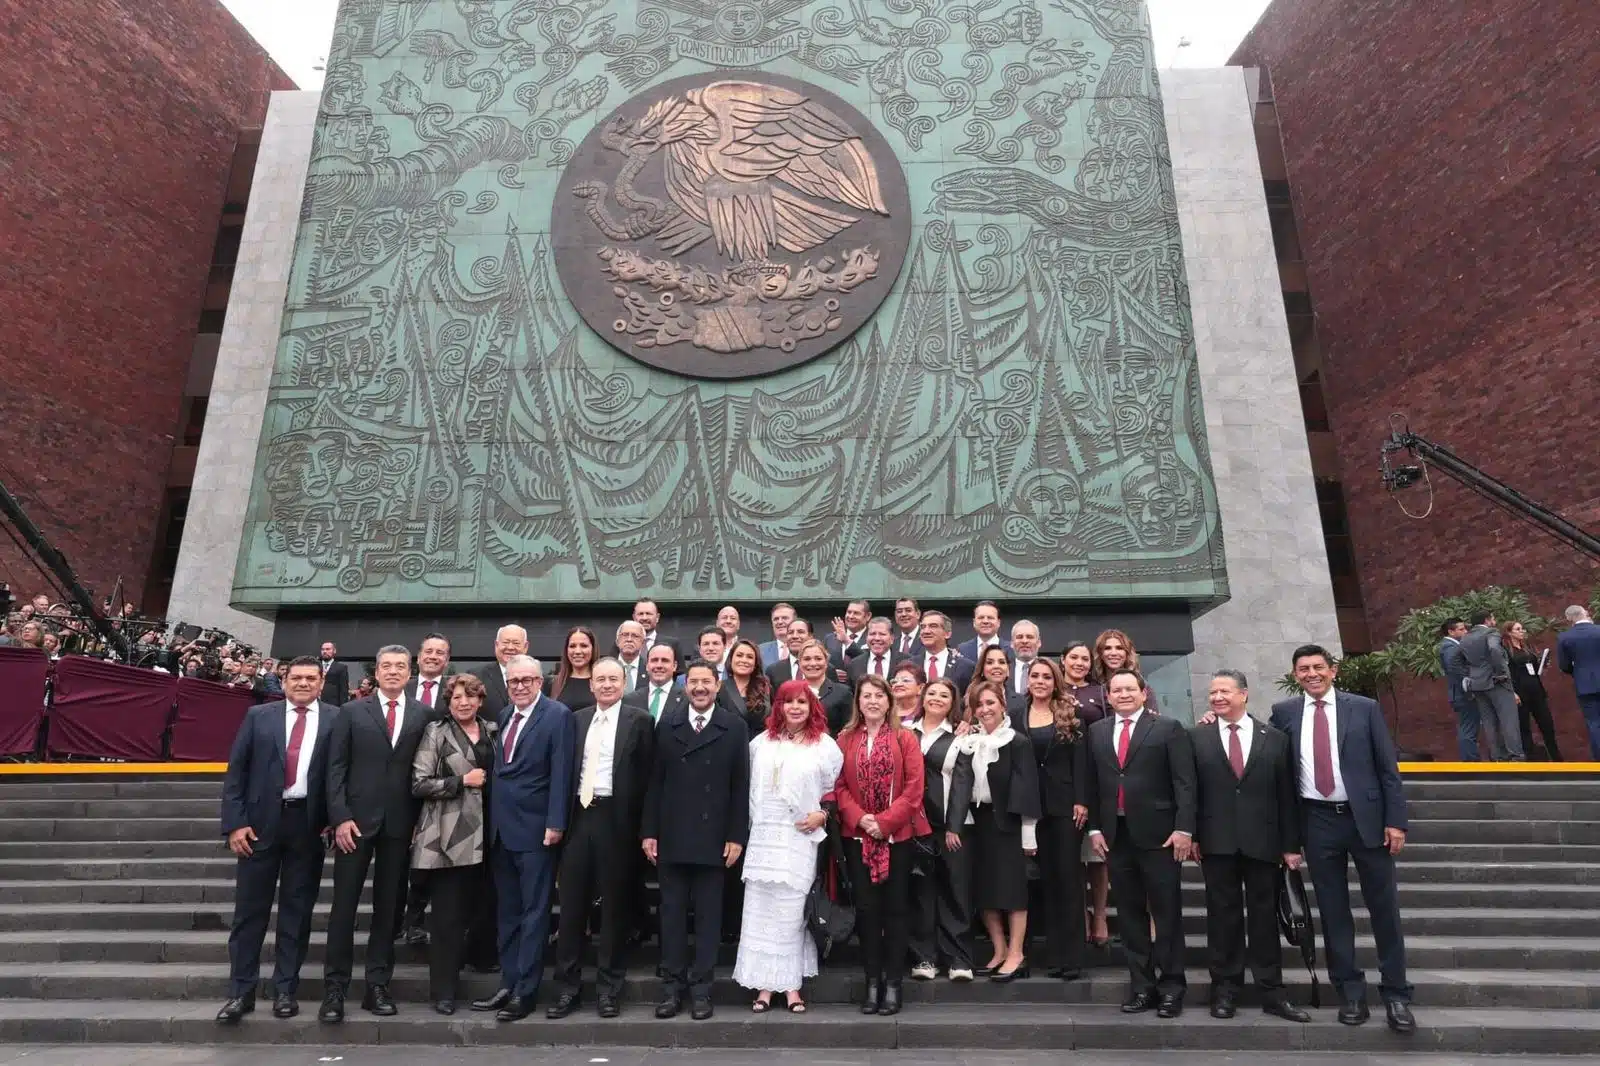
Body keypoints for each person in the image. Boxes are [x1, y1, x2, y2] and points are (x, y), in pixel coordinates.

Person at [1271, 645, 1413, 1033]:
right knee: (1333, 912)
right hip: (1317, 821)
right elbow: (1276, 769)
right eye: (1303, 668)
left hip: (1365, 819)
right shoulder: (1284, 714)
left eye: (1319, 667)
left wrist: (1395, 821)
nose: (1312, 674)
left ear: (1333, 671)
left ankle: (1397, 994)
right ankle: (1350, 993)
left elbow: (1388, 767)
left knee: (1384, 910)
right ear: (1295, 674)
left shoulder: (1363, 708)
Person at [320, 645, 436, 1023]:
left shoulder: (424, 715)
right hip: (354, 824)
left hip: (401, 827)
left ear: (410, 671)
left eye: (400, 667)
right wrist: (339, 817)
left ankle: (377, 985)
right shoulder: (351, 711)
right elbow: (335, 768)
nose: (392, 672)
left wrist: (421, 822)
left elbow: (424, 772)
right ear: (377, 670)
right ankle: (334, 988)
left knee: (389, 910)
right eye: (386, 666)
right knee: (343, 909)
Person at [216, 657, 333, 1024]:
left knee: (296, 915)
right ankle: (241, 993)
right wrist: (235, 825)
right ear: (283, 682)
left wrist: (333, 819)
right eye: (295, 678)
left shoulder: (336, 718)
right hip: (258, 826)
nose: (302, 683)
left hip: (308, 826)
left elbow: (338, 774)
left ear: (321, 683)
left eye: (310, 678)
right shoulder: (258, 717)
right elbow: (237, 773)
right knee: (249, 913)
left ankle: (285, 990)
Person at [1190, 671, 1309, 1023]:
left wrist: (1291, 845)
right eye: (1212, 692)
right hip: (1217, 843)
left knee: (1263, 920)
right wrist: (1193, 835)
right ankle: (1225, 990)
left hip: (1264, 843)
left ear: (1244, 694)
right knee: (1222, 919)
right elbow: (1189, 792)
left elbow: (1287, 796)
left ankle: (1272, 991)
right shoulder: (1195, 737)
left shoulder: (1275, 739)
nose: (1217, 697)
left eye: (1224, 691)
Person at [642, 660, 751, 1020]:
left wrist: (736, 836)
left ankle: (702, 990)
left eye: (707, 681)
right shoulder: (668, 724)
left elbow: (740, 787)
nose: (700, 688)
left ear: (718, 686)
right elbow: (654, 782)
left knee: (708, 918)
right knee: (671, 917)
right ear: (685, 687)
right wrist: (649, 831)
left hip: (715, 838)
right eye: (694, 682)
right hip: (672, 835)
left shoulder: (734, 726)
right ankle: (672, 989)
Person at [549, 659, 656, 1019]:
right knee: (572, 909)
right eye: (600, 680)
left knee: (613, 910)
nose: (607, 685)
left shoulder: (640, 721)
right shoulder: (575, 719)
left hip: (618, 821)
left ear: (624, 683)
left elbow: (648, 780)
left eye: (613, 679)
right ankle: (567, 988)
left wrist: (645, 829)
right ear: (591, 685)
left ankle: (609, 989)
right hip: (579, 818)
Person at [1085, 668, 1195, 1019]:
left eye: (1130, 689)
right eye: (1116, 690)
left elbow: (1185, 784)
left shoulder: (1167, 728)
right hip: (1116, 837)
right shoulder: (1097, 731)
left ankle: (1172, 988)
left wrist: (1184, 829)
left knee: (1166, 915)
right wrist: (1094, 829)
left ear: (1144, 692)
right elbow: (1092, 784)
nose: (1123, 695)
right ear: (1108, 696)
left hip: (1160, 836)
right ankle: (1142, 987)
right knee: (1130, 917)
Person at [473, 655, 575, 1022]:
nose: (519, 686)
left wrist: (556, 822)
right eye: (513, 681)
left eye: (526, 681)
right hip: (502, 830)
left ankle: (526, 992)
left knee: (534, 914)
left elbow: (562, 772)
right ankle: (508, 981)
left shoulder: (557, 715)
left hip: (536, 831)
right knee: (508, 912)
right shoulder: (504, 717)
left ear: (539, 682)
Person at [734, 679, 843, 1013]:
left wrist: (822, 815)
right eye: (787, 702)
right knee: (760, 912)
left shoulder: (825, 746)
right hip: (764, 838)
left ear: (812, 707)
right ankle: (765, 986)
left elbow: (835, 791)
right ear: (777, 707)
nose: (794, 708)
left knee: (793, 912)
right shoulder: (759, 744)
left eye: (801, 702)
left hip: (800, 838)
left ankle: (792, 986)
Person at [834, 674, 928, 1015]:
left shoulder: (905, 738)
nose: (872, 701)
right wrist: (861, 819)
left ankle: (892, 984)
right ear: (857, 702)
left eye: (878, 696)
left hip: (897, 837)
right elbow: (839, 785)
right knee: (866, 911)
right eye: (866, 696)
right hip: (857, 837)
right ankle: (871, 983)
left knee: (896, 910)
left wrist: (884, 822)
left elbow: (915, 788)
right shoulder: (845, 738)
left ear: (889, 701)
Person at [409, 673, 497, 1015]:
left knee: (480, 908)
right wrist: (461, 781)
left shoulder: (492, 730)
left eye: (471, 697)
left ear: (480, 700)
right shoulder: (437, 731)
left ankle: (480, 962)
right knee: (447, 917)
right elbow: (419, 783)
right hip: (448, 835)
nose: (464, 702)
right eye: (458, 697)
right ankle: (443, 991)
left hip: (489, 833)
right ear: (449, 701)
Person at [1011, 658, 1088, 981]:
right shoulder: (1015, 714)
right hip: (1029, 808)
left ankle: (1069, 958)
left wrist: (1082, 799)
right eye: (1035, 676)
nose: (1040, 681)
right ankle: (1034, 955)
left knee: (1066, 881)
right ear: (1028, 681)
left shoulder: (1071, 713)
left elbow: (1082, 762)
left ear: (1055, 681)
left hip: (1064, 807)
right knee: (1031, 882)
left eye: (1046, 676)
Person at [959, 679, 1040, 983]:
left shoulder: (1016, 741)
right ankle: (999, 949)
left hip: (1009, 825)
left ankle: (1017, 953)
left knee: (1013, 891)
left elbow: (1028, 788)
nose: (984, 709)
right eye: (979, 704)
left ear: (1003, 705)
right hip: (978, 825)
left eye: (990, 703)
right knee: (986, 891)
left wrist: (1028, 833)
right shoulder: (969, 741)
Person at [907, 677, 975, 982]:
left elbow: (963, 784)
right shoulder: (905, 731)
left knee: (955, 891)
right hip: (913, 827)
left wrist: (954, 827)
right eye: (931, 693)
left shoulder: (962, 737)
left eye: (944, 695)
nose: (936, 698)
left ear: (953, 702)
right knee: (920, 893)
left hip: (949, 828)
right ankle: (924, 958)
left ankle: (958, 958)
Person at [399, 631, 453, 946]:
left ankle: (416, 920)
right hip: (400, 789)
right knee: (398, 863)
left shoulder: (452, 692)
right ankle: (397, 920)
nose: (434, 657)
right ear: (419, 656)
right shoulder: (400, 688)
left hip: (436, 788)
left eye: (440, 653)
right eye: (429, 651)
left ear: (447, 659)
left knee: (426, 860)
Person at [1460, 610, 1525, 761]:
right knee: (1509, 719)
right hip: (1497, 682)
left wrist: (1470, 673)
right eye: (1493, 618)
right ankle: (1516, 755)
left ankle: (1498, 757)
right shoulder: (1491, 633)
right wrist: (1501, 671)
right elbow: (1494, 649)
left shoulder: (1465, 637)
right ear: (1487, 620)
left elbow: (1458, 659)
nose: (1494, 621)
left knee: (1489, 722)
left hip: (1477, 684)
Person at [1503, 620, 1561, 761]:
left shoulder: (1526, 647)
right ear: (1509, 632)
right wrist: (1512, 692)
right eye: (1518, 629)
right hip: (1520, 692)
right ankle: (1529, 757)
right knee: (1524, 727)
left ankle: (1556, 757)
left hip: (1536, 690)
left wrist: (1543, 663)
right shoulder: (1505, 650)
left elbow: (1534, 668)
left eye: (1522, 629)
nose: (1522, 631)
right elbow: (1506, 673)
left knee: (1547, 723)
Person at [1557, 605, 1600, 759]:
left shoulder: (1565, 637)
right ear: (1585, 614)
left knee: (1594, 722)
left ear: (1569, 619)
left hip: (1585, 685)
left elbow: (1564, 665)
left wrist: (1578, 672)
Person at [1437, 618, 1477, 760]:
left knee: (1469, 728)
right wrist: (1469, 680)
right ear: (1451, 631)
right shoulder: (1450, 647)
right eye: (1461, 629)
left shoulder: (1452, 646)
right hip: (1463, 695)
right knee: (1468, 729)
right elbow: (1453, 667)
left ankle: (1471, 760)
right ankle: (1471, 763)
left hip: (1460, 694)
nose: (1465, 632)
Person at [1092, 629, 1160, 712]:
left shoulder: (1140, 684)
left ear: (1127, 653)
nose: (1113, 653)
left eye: (1119, 648)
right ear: (1100, 654)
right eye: (1107, 648)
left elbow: (1154, 719)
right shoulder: (1092, 684)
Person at [795, 637, 852, 735]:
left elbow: (849, 727)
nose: (812, 663)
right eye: (807, 659)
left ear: (826, 662)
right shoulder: (792, 692)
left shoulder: (843, 692)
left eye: (818, 659)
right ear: (799, 663)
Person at [718, 637, 771, 737]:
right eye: (739, 655)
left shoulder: (765, 687)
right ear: (731, 659)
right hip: (730, 746)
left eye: (750, 657)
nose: (744, 660)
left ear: (755, 663)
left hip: (759, 747)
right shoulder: (719, 688)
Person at [918, 611, 975, 698]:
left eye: (933, 626)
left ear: (947, 634)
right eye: (923, 627)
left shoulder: (965, 666)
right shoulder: (910, 665)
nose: (926, 631)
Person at [474, 624, 528, 715]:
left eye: (516, 643)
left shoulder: (536, 678)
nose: (510, 647)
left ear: (525, 646)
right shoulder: (476, 676)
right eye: (505, 642)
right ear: (496, 645)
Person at [627, 642, 686, 723]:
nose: (659, 665)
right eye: (654, 660)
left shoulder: (686, 698)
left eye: (665, 660)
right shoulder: (630, 700)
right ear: (647, 666)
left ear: (674, 666)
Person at [550, 626, 598, 713]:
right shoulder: (554, 683)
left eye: (584, 646)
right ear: (566, 650)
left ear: (593, 648)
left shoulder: (602, 682)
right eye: (572, 646)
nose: (577, 651)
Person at [847, 617, 904, 685]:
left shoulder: (905, 661)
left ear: (892, 639)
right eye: (872, 634)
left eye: (882, 634)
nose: (877, 638)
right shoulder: (854, 664)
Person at [971, 645, 1023, 717]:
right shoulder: (967, 700)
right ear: (982, 669)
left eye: (1001, 662)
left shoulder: (1021, 701)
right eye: (990, 662)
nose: (996, 666)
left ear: (1008, 670)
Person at [764, 616, 812, 687]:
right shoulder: (773, 671)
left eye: (800, 632)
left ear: (810, 636)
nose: (794, 636)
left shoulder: (824, 668)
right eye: (790, 632)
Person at [826, 599, 872, 670]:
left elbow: (870, 662)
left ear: (868, 616)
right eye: (849, 612)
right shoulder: (829, 639)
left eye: (856, 613)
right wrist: (833, 673)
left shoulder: (873, 639)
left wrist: (846, 641)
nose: (851, 616)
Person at [633, 597, 682, 661]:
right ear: (634, 617)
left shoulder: (672, 644)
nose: (644, 618)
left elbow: (680, 670)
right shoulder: (621, 644)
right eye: (640, 614)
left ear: (657, 617)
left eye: (648, 614)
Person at [1007, 620, 1042, 699]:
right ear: (1012, 643)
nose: (1024, 641)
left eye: (1029, 637)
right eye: (1019, 637)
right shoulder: (1004, 669)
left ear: (1039, 642)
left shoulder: (1050, 670)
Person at [759, 602, 796, 669]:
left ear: (795, 621)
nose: (780, 622)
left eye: (784, 618)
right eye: (776, 619)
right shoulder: (759, 650)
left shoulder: (806, 649)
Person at [615, 620, 648, 694]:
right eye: (625, 635)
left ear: (643, 643)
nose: (629, 639)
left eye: (635, 636)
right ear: (617, 641)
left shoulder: (650, 669)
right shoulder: (607, 666)